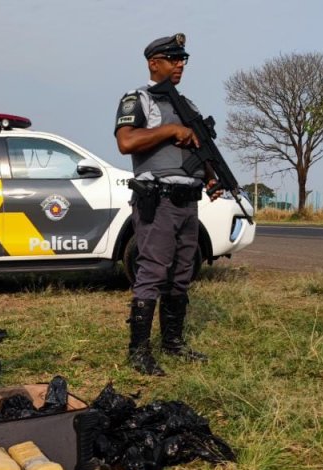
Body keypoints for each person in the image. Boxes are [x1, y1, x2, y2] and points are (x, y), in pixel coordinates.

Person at [114, 33, 221, 376]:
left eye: (183, 60)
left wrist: (210, 177)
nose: (180, 66)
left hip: (188, 201)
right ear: (153, 63)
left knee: (181, 274)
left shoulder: (188, 105)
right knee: (152, 272)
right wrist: (170, 130)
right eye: (173, 59)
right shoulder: (139, 100)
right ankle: (139, 351)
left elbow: (197, 150)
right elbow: (126, 142)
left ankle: (172, 344)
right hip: (157, 200)